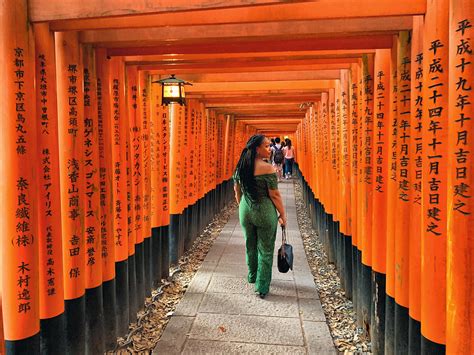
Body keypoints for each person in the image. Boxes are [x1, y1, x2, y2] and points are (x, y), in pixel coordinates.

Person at [233, 134, 287, 299]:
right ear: (257, 149)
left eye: (270, 145)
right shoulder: (267, 168)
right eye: (266, 146)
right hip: (265, 211)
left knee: (250, 243)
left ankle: (252, 275)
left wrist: (243, 206)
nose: (270, 149)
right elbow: (275, 195)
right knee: (265, 248)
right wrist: (282, 214)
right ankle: (262, 286)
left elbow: (237, 191)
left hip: (245, 209)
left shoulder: (241, 166)